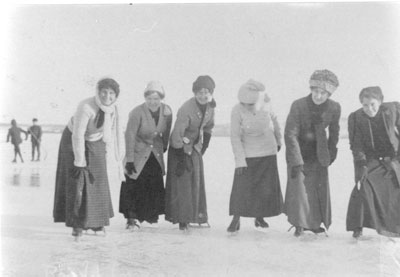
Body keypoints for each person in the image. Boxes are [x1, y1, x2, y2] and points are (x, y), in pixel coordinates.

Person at [53, 78, 125, 240]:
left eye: (112, 93)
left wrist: (119, 159)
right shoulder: (86, 106)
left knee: (98, 179)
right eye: (104, 92)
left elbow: (116, 133)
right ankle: (77, 225)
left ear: (116, 96)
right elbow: (78, 135)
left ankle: (96, 222)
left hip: (97, 140)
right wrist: (79, 160)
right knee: (78, 180)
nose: (107, 96)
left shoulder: (114, 109)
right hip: (73, 140)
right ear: (98, 92)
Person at [284, 69, 341, 237]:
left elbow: (335, 132)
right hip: (299, 152)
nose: (319, 96)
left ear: (329, 94)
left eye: (323, 93)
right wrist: (296, 159)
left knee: (316, 190)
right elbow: (290, 133)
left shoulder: (334, 107)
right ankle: (300, 224)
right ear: (311, 89)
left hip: (319, 153)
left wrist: (331, 153)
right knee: (300, 191)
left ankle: (314, 224)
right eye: (316, 91)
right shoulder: (298, 105)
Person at [227, 79, 284, 233]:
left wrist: (279, 141)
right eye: (244, 103)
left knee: (264, 188)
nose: (246, 106)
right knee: (242, 187)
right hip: (248, 152)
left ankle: (259, 217)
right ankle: (236, 217)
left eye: (250, 104)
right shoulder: (236, 110)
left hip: (267, 150)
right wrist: (240, 161)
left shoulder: (266, 104)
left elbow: (276, 123)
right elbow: (234, 136)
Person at [346, 86, 400, 238]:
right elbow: (357, 146)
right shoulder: (356, 118)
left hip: (394, 158)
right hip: (371, 159)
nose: (369, 109)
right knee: (363, 184)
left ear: (380, 102)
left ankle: (394, 227)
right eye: (365, 105)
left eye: (373, 104)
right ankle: (358, 226)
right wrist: (362, 164)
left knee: (396, 186)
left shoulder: (393, 110)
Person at [165, 75, 216, 231]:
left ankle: (198, 216)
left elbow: (208, 127)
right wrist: (181, 158)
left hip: (194, 147)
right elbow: (176, 135)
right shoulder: (186, 108)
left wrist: (204, 146)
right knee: (184, 183)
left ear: (211, 93)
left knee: (197, 180)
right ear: (195, 93)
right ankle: (182, 219)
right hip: (179, 147)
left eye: (206, 92)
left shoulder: (210, 107)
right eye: (200, 92)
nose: (203, 95)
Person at [119, 81, 172, 230]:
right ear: (145, 98)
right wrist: (129, 159)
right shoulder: (137, 112)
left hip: (154, 151)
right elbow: (129, 135)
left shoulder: (167, 111)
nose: (153, 102)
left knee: (152, 183)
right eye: (149, 98)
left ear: (161, 98)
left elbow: (166, 130)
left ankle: (148, 216)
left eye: (156, 98)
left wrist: (164, 145)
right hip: (138, 150)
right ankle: (131, 218)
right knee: (133, 182)